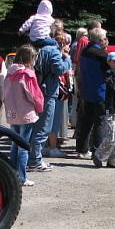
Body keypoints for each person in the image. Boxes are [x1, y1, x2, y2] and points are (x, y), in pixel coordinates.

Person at [27, 34, 70, 173]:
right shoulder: (52, 50)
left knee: (34, 127)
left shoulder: (36, 48)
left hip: (36, 91)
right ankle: (35, 161)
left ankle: (32, 158)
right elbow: (59, 69)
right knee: (43, 127)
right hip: (48, 92)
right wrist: (67, 59)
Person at [2, 44, 44, 187]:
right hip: (26, 114)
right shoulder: (28, 74)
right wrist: (39, 107)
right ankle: (22, 177)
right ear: (29, 58)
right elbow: (34, 95)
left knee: (15, 144)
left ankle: (11, 174)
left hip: (13, 113)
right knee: (23, 146)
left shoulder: (10, 72)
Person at [75, 26, 109, 157]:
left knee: (86, 121)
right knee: (99, 121)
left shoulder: (85, 51)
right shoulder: (100, 54)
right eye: (105, 38)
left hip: (86, 89)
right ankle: (96, 150)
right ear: (100, 39)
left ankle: (81, 149)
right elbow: (109, 71)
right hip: (99, 91)